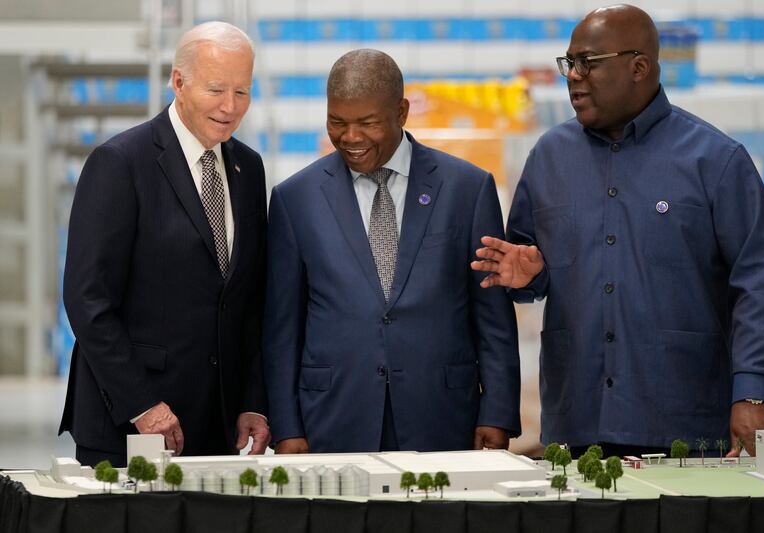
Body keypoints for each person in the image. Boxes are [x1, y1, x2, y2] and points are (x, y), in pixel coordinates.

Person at [472, 4, 764, 458]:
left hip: (685, 421)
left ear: (638, 66)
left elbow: (757, 281)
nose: (574, 76)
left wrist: (751, 390)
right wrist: (530, 276)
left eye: (588, 63)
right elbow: (527, 265)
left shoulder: (716, 161)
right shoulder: (549, 158)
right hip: (578, 422)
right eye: (569, 63)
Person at [263, 49, 520, 453]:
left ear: (401, 112)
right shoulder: (294, 199)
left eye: (367, 123)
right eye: (337, 122)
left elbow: (493, 319)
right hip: (332, 418)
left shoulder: (467, 189)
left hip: (444, 416)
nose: (351, 137)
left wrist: (498, 412)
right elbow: (282, 329)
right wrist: (286, 426)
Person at [59, 21, 270, 467]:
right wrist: (142, 404)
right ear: (178, 82)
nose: (230, 107)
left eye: (242, 92)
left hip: (217, 426)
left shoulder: (248, 170)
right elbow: (87, 301)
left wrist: (253, 400)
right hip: (131, 424)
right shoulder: (119, 164)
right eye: (216, 90)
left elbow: (248, 301)